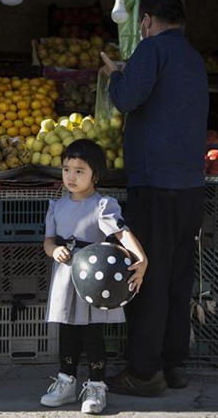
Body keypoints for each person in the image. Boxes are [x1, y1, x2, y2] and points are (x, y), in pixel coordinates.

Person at [99, 0, 209, 396]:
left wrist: (115, 75)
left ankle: (144, 373)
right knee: (178, 280)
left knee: (147, 278)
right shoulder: (193, 57)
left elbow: (126, 99)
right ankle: (174, 364)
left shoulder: (152, 49)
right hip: (190, 188)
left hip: (156, 186)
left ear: (146, 20)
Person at [40, 139, 148, 414]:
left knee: (92, 335)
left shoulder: (102, 205)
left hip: (95, 282)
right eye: (67, 169)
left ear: (95, 175)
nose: (71, 176)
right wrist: (55, 251)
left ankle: (96, 386)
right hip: (67, 278)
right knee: (67, 333)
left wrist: (141, 258)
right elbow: (48, 241)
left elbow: (122, 233)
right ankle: (66, 382)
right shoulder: (57, 206)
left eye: (80, 171)